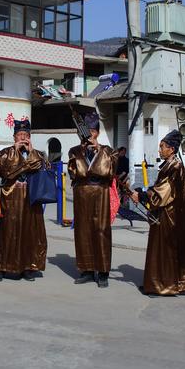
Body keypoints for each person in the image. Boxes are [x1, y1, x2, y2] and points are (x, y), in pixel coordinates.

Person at [131, 130, 185, 296]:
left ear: (172, 149)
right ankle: (156, 282)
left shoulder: (175, 166)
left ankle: (164, 284)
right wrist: (144, 191)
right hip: (167, 212)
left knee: (165, 249)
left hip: (170, 215)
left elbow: (164, 192)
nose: (160, 150)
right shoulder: (169, 165)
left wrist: (141, 195)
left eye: (162, 147)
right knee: (159, 248)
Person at [0, 119, 48, 282]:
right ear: (14, 136)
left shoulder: (36, 153)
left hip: (30, 198)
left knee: (30, 232)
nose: (22, 138)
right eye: (19, 135)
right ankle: (1, 268)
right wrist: (14, 153)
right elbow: (4, 171)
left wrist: (30, 152)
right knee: (7, 232)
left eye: (25, 135)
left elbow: (39, 165)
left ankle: (28, 267)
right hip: (10, 197)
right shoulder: (5, 152)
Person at [68, 112, 118, 288]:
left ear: (97, 133)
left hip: (101, 192)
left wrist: (99, 151)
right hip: (82, 193)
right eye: (86, 131)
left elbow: (110, 172)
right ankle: (86, 270)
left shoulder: (108, 152)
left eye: (92, 131)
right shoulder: (74, 151)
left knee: (101, 231)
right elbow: (75, 172)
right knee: (83, 231)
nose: (89, 135)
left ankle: (103, 271)